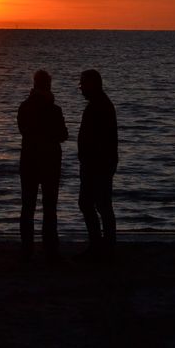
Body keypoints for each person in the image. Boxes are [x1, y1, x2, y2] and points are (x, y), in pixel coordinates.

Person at [18, 69, 69, 261]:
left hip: (29, 161)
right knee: (49, 207)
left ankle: (26, 249)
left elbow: (23, 130)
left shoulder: (24, 107)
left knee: (28, 206)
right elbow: (63, 134)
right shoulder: (54, 110)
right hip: (50, 162)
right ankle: (50, 249)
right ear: (47, 85)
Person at [77, 69, 118, 260]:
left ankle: (102, 246)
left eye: (83, 83)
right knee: (98, 204)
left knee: (94, 204)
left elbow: (102, 139)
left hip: (97, 165)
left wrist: (93, 160)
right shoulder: (99, 104)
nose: (81, 88)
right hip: (96, 163)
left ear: (92, 84)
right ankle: (103, 245)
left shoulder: (100, 106)